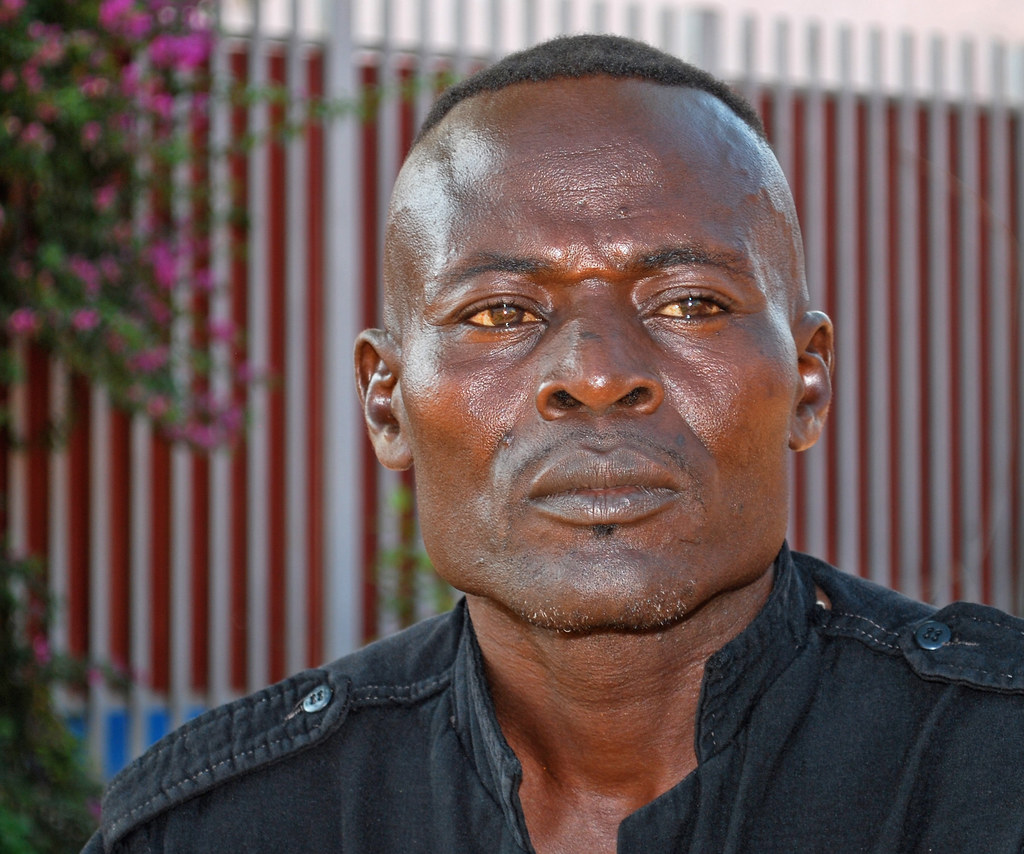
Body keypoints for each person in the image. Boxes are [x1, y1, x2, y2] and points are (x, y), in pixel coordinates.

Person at [84, 34, 1024, 854]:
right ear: (387, 404)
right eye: (500, 312)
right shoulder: (221, 830)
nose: (597, 371)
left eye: (690, 302)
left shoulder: (991, 774)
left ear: (808, 381)